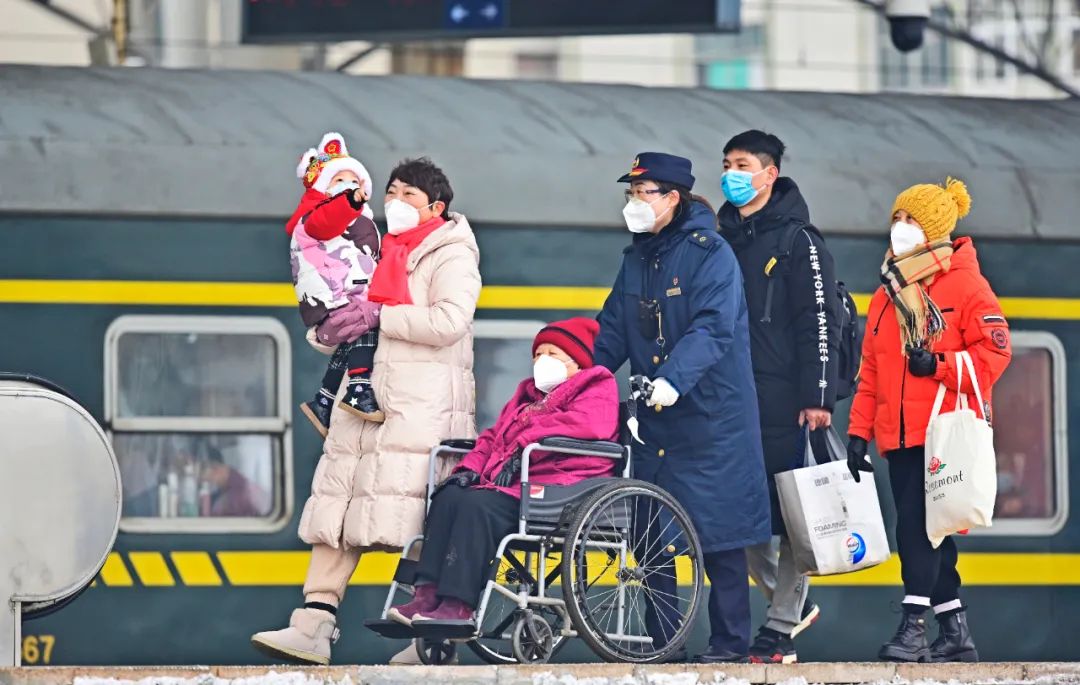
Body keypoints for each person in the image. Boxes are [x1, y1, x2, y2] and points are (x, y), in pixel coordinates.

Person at [251, 157, 482, 665]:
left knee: (420, 519)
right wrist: (327, 329)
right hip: (362, 404)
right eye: (391, 192)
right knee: (337, 510)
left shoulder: (452, 253)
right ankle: (312, 625)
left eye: (408, 195)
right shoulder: (376, 247)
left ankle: (428, 642)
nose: (394, 202)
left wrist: (381, 314)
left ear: (436, 207)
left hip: (421, 409)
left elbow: (450, 320)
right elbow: (348, 309)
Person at [593, 152, 771, 664]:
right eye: (630, 192)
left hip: (712, 418)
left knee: (721, 536)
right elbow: (612, 330)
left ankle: (729, 645)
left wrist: (673, 378)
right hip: (656, 421)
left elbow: (713, 327)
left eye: (643, 192)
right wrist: (581, 381)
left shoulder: (710, 253)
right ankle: (663, 644)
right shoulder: (636, 259)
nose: (633, 201)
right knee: (650, 534)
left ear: (672, 197)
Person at [846, 178, 1010, 663]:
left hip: (942, 434)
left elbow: (996, 353)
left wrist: (938, 365)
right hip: (898, 437)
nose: (900, 228)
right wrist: (858, 432)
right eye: (897, 218)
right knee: (929, 530)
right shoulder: (888, 293)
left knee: (917, 531)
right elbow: (871, 371)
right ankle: (956, 632)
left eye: (911, 220)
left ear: (935, 228)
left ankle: (913, 628)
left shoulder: (966, 284)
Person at [386, 318, 618, 627]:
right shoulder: (527, 397)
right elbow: (493, 438)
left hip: (562, 486)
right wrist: (469, 469)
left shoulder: (597, 387)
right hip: (517, 484)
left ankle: (458, 605)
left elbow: (587, 425)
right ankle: (426, 594)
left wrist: (524, 444)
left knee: (478, 506)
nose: (543, 361)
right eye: (538, 354)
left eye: (553, 354)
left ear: (577, 362)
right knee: (449, 496)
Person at [715, 130, 839, 663]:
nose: (731, 174)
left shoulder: (799, 241)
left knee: (793, 515)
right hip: (734, 398)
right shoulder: (723, 238)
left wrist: (818, 395)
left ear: (770, 174)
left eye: (742, 165)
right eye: (726, 164)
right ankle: (792, 603)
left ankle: (781, 624)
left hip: (787, 399)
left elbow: (819, 319)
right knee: (738, 509)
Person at [287, 132, 384, 435]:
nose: (349, 186)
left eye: (355, 181)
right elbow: (326, 220)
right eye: (339, 180)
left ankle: (324, 400)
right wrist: (350, 201)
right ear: (323, 188)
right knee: (368, 325)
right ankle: (358, 387)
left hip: (341, 299)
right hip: (332, 301)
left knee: (351, 339)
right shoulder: (314, 219)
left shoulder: (356, 224)